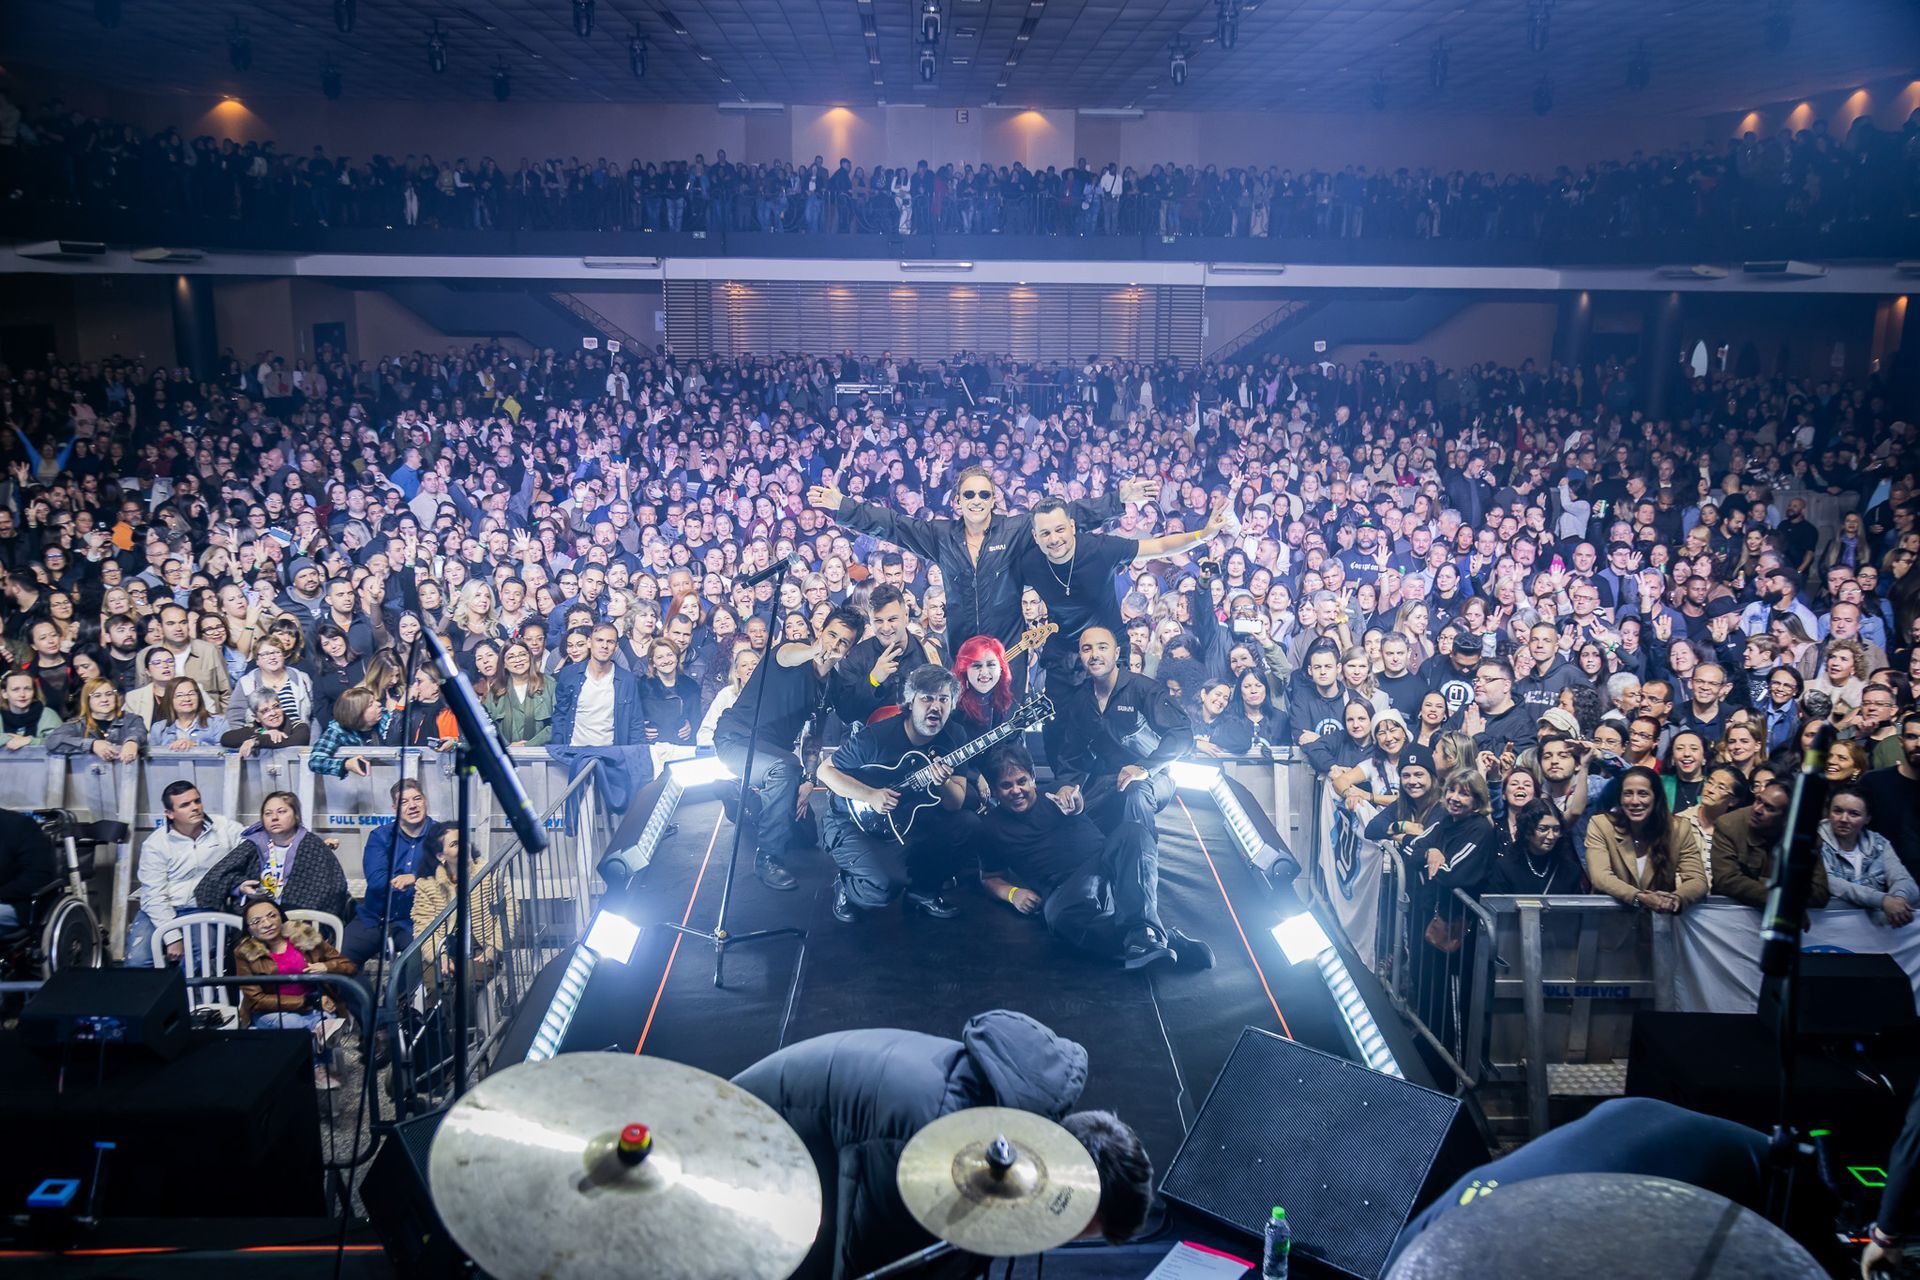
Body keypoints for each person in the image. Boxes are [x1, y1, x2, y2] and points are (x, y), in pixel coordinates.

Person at [732, 1009, 1153, 1280]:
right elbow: (867, 1265)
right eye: (1071, 1221)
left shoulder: (1010, 1118)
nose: (1058, 1234)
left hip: (822, 1135)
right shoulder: (928, 1151)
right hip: (742, 1148)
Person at [808, 467, 1138, 654]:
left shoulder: (1016, 529)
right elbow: (894, 525)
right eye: (969, 494)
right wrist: (844, 506)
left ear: (994, 499)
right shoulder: (940, 535)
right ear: (957, 501)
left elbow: (1069, 516)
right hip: (963, 649)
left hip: (1009, 649)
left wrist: (1117, 501)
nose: (976, 500)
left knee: (1008, 736)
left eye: (984, 494)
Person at [978, 744, 1212, 970]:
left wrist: (1072, 799)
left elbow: (1073, 798)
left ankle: (1145, 933)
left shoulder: (1055, 792)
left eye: (1022, 782)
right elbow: (989, 878)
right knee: (1059, 920)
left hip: (1105, 863)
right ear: (995, 790)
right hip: (1066, 891)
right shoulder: (991, 828)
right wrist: (1012, 893)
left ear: (1033, 778)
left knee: (1134, 832)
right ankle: (1159, 939)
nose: (1016, 791)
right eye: (1006, 786)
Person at [816, 664, 978, 922]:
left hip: (908, 818)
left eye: (943, 699)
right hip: (852, 819)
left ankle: (922, 892)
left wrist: (943, 782)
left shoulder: (955, 735)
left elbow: (955, 804)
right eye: (927, 698)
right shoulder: (876, 737)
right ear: (910, 702)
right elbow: (825, 771)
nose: (935, 706)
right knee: (883, 888)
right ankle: (846, 886)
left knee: (967, 824)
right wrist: (869, 795)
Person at [1049, 626, 1193, 839]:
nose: (1095, 654)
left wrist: (1144, 767)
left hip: (1154, 777)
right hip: (1109, 779)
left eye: (1102, 647)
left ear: (1116, 654)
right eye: (1087, 649)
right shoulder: (1080, 700)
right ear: (1080, 656)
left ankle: (1142, 865)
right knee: (1068, 824)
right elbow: (1071, 757)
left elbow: (1182, 734)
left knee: (1136, 792)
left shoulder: (1143, 689)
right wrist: (1066, 787)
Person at [232, 896, 356, 1088]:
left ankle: (320, 1038)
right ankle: (318, 1064)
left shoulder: (305, 937)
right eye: (257, 921)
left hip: (316, 1004)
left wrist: (325, 966)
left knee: (320, 1016)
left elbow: (348, 966)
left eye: (271, 916)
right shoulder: (244, 952)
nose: (266, 924)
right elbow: (257, 1000)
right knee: (297, 1023)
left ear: (281, 917)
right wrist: (308, 1001)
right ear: (249, 929)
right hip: (269, 1013)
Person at [128, 781, 245, 967]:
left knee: (199, 960)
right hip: (161, 908)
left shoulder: (223, 828)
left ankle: (187, 996)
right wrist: (172, 937)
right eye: (185, 805)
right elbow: (153, 895)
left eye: (197, 801)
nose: (195, 808)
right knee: (138, 962)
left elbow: (253, 843)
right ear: (169, 814)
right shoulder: (155, 844)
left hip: (204, 906)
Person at [195, 791, 350, 922]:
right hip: (256, 922)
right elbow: (216, 878)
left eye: (282, 812)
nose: (274, 817)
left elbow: (333, 889)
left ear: (295, 815)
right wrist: (239, 887)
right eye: (268, 813)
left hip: (299, 924)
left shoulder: (312, 846)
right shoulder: (253, 844)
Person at [342, 779, 439, 968]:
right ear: (394, 808)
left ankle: (398, 998)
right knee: (339, 962)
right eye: (404, 802)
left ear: (425, 801)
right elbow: (377, 882)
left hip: (417, 921)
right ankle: (362, 998)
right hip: (373, 917)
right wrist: (426, 877)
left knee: (423, 964)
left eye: (417, 799)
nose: (412, 806)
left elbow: (450, 873)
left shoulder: (442, 836)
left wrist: (413, 877)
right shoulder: (380, 836)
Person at [1585, 765, 1709, 913]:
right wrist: (1638, 897)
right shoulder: (1601, 825)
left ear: (1656, 797)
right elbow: (1601, 877)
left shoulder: (1678, 828)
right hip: (1612, 921)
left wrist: (1675, 899)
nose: (1635, 801)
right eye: (1628, 794)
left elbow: (1697, 880)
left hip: (1659, 921)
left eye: (1643, 794)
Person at [1709, 779, 1831, 910]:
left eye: (1769, 808)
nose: (1757, 809)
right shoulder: (1729, 825)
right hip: (1732, 914)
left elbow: (1819, 892)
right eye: (1758, 800)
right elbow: (1727, 880)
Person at [1819, 787, 1917, 927]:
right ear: (1828, 813)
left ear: (1867, 819)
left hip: (1871, 933)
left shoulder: (1879, 844)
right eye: (1838, 811)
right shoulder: (1815, 840)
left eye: (1854, 814)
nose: (1844, 819)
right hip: (1829, 929)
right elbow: (1830, 882)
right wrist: (1882, 900)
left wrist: (1897, 901)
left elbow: (1903, 879)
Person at [551, 623, 645, 747]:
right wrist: (558, 749)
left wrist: (635, 756)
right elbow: (560, 716)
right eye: (599, 640)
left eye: (610, 642)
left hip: (612, 755)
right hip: (574, 752)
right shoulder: (569, 674)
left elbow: (635, 723)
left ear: (616, 647)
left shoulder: (627, 680)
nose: (604, 646)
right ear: (589, 643)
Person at [43, 678, 145, 762]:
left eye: (109, 694)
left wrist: (132, 742)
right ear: (87, 700)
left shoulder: (131, 719)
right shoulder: (78, 724)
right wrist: (92, 745)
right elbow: (53, 741)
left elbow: (138, 732)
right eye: (97, 696)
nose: (104, 699)